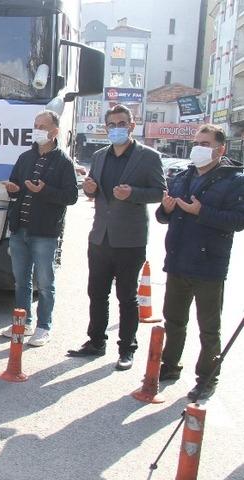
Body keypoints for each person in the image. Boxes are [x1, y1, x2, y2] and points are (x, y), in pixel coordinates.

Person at [67, 104, 165, 370]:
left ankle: (127, 349)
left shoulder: (148, 157)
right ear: (106, 127)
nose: (116, 128)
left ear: (132, 126)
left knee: (127, 296)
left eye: (122, 123)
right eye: (112, 124)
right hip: (100, 236)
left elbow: (159, 192)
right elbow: (94, 190)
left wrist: (132, 193)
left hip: (130, 239)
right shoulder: (99, 156)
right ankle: (96, 341)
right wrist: (89, 189)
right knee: (96, 292)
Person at [156, 124, 244, 401]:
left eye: (205, 143)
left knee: (208, 327)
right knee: (174, 320)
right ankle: (169, 366)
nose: (198, 148)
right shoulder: (183, 176)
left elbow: (237, 221)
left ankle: (207, 377)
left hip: (209, 264)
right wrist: (165, 210)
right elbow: (163, 215)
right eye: (196, 142)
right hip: (178, 260)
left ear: (220, 149)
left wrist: (202, 211)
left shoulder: (235, 181)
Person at [0, 110, 78, 346]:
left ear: (54, 131)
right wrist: (13, 189)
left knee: (44, 282)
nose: (37, 130)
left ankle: (44, 326)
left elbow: (71, 196)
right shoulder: (25, 157)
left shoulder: (63, 162)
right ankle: (23, 322)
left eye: (42, 126)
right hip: (20, 228)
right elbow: (16, 186)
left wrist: (43, 190)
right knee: (21, 280)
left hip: (44, 232)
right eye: (35, 125)